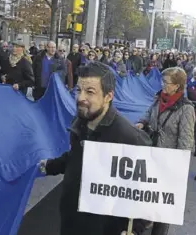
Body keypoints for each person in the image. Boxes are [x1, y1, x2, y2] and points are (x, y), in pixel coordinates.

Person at [39, 62, 152, 235]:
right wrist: (50, 166)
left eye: (90, 92)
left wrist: (136, 228)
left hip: (104, 227)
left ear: (108, 96)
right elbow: (76, 156)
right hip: (72, 219)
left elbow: (147, 191)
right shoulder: (80, 120)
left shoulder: (130, 137)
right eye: (78, 90)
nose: (80, 97)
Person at [135, 66, 195, 234]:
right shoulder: (158, 98)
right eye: (162, 81)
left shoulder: (186, 109)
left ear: (177, 86)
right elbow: (148, 114)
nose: (162, 85)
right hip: (151, 154)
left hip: (168, 162)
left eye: (166, 82)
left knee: (163, 206)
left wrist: (178, 168)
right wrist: (142, 122)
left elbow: (186, 142)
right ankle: (145, 222)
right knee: (147, 195)